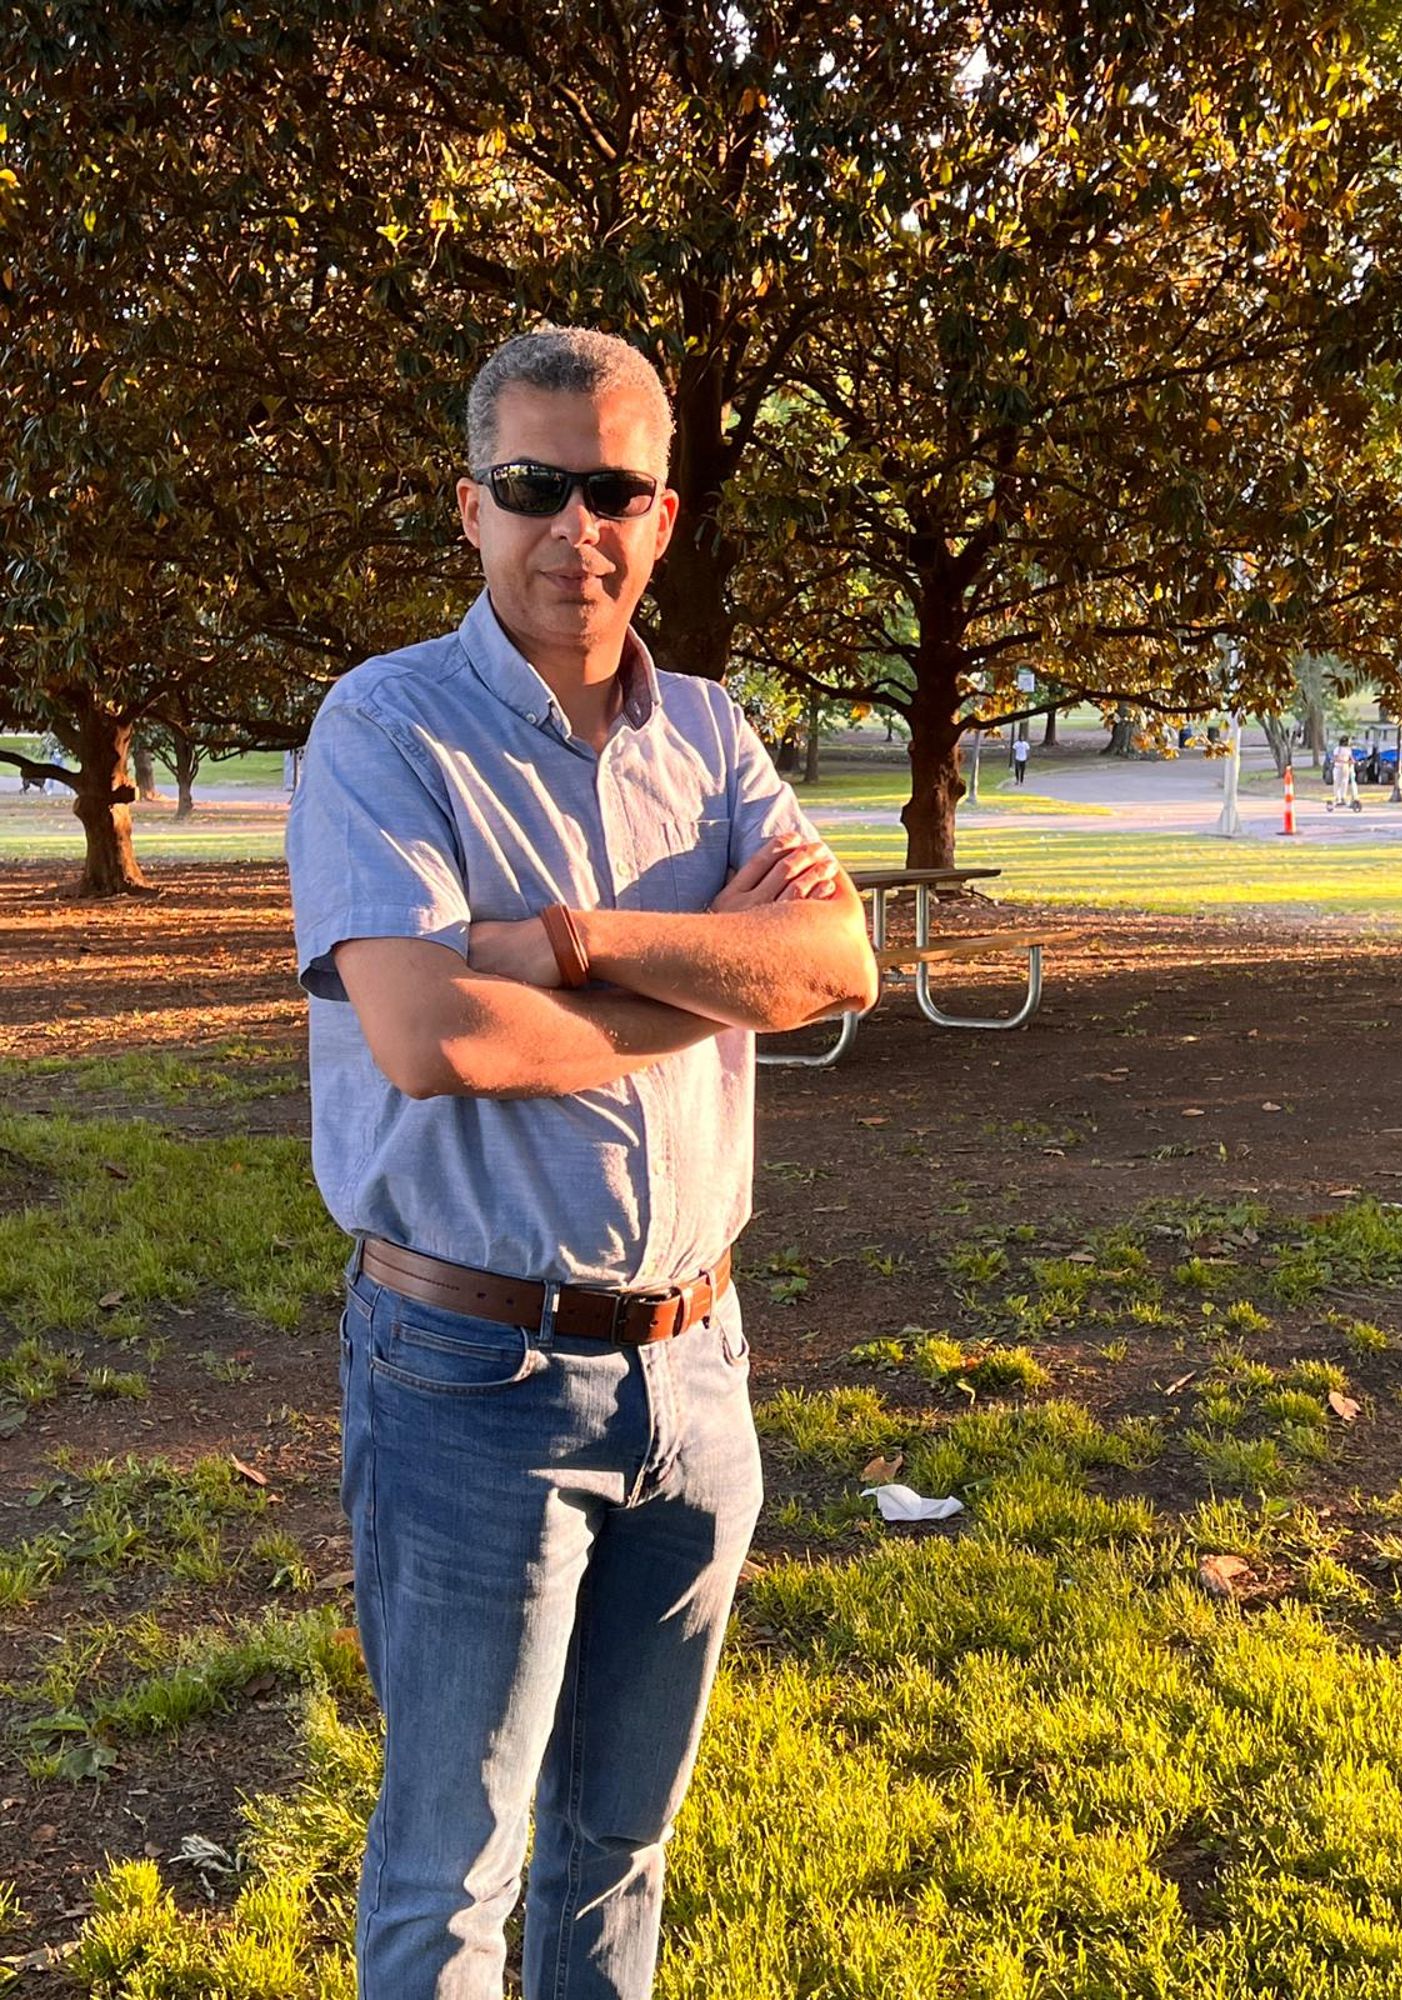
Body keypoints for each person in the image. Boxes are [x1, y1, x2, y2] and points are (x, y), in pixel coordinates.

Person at [285, 327, 878, 2000]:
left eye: (613, 490)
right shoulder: (386, 726)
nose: (576, 527)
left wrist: (567, 939)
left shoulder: (712, 734)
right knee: (451, 1871)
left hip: (698, 1369)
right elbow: (432, 1038)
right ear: (470, 506)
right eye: (535, 485)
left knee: (621, 1843)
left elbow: (838, 963)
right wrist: (713, 976)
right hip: (471, 1372)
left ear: (662, 516)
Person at [1330, 733, 1357, 810]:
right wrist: (1345, 761)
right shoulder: (1337, 749)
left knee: (1344, 782)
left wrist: (1353, 761)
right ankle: (1337, 798)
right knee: (1337, 782)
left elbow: (1350, 758)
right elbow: (1335, 758)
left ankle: (1343, 797)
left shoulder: (1348, 750)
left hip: (1345, 767)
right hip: (1338, 767)